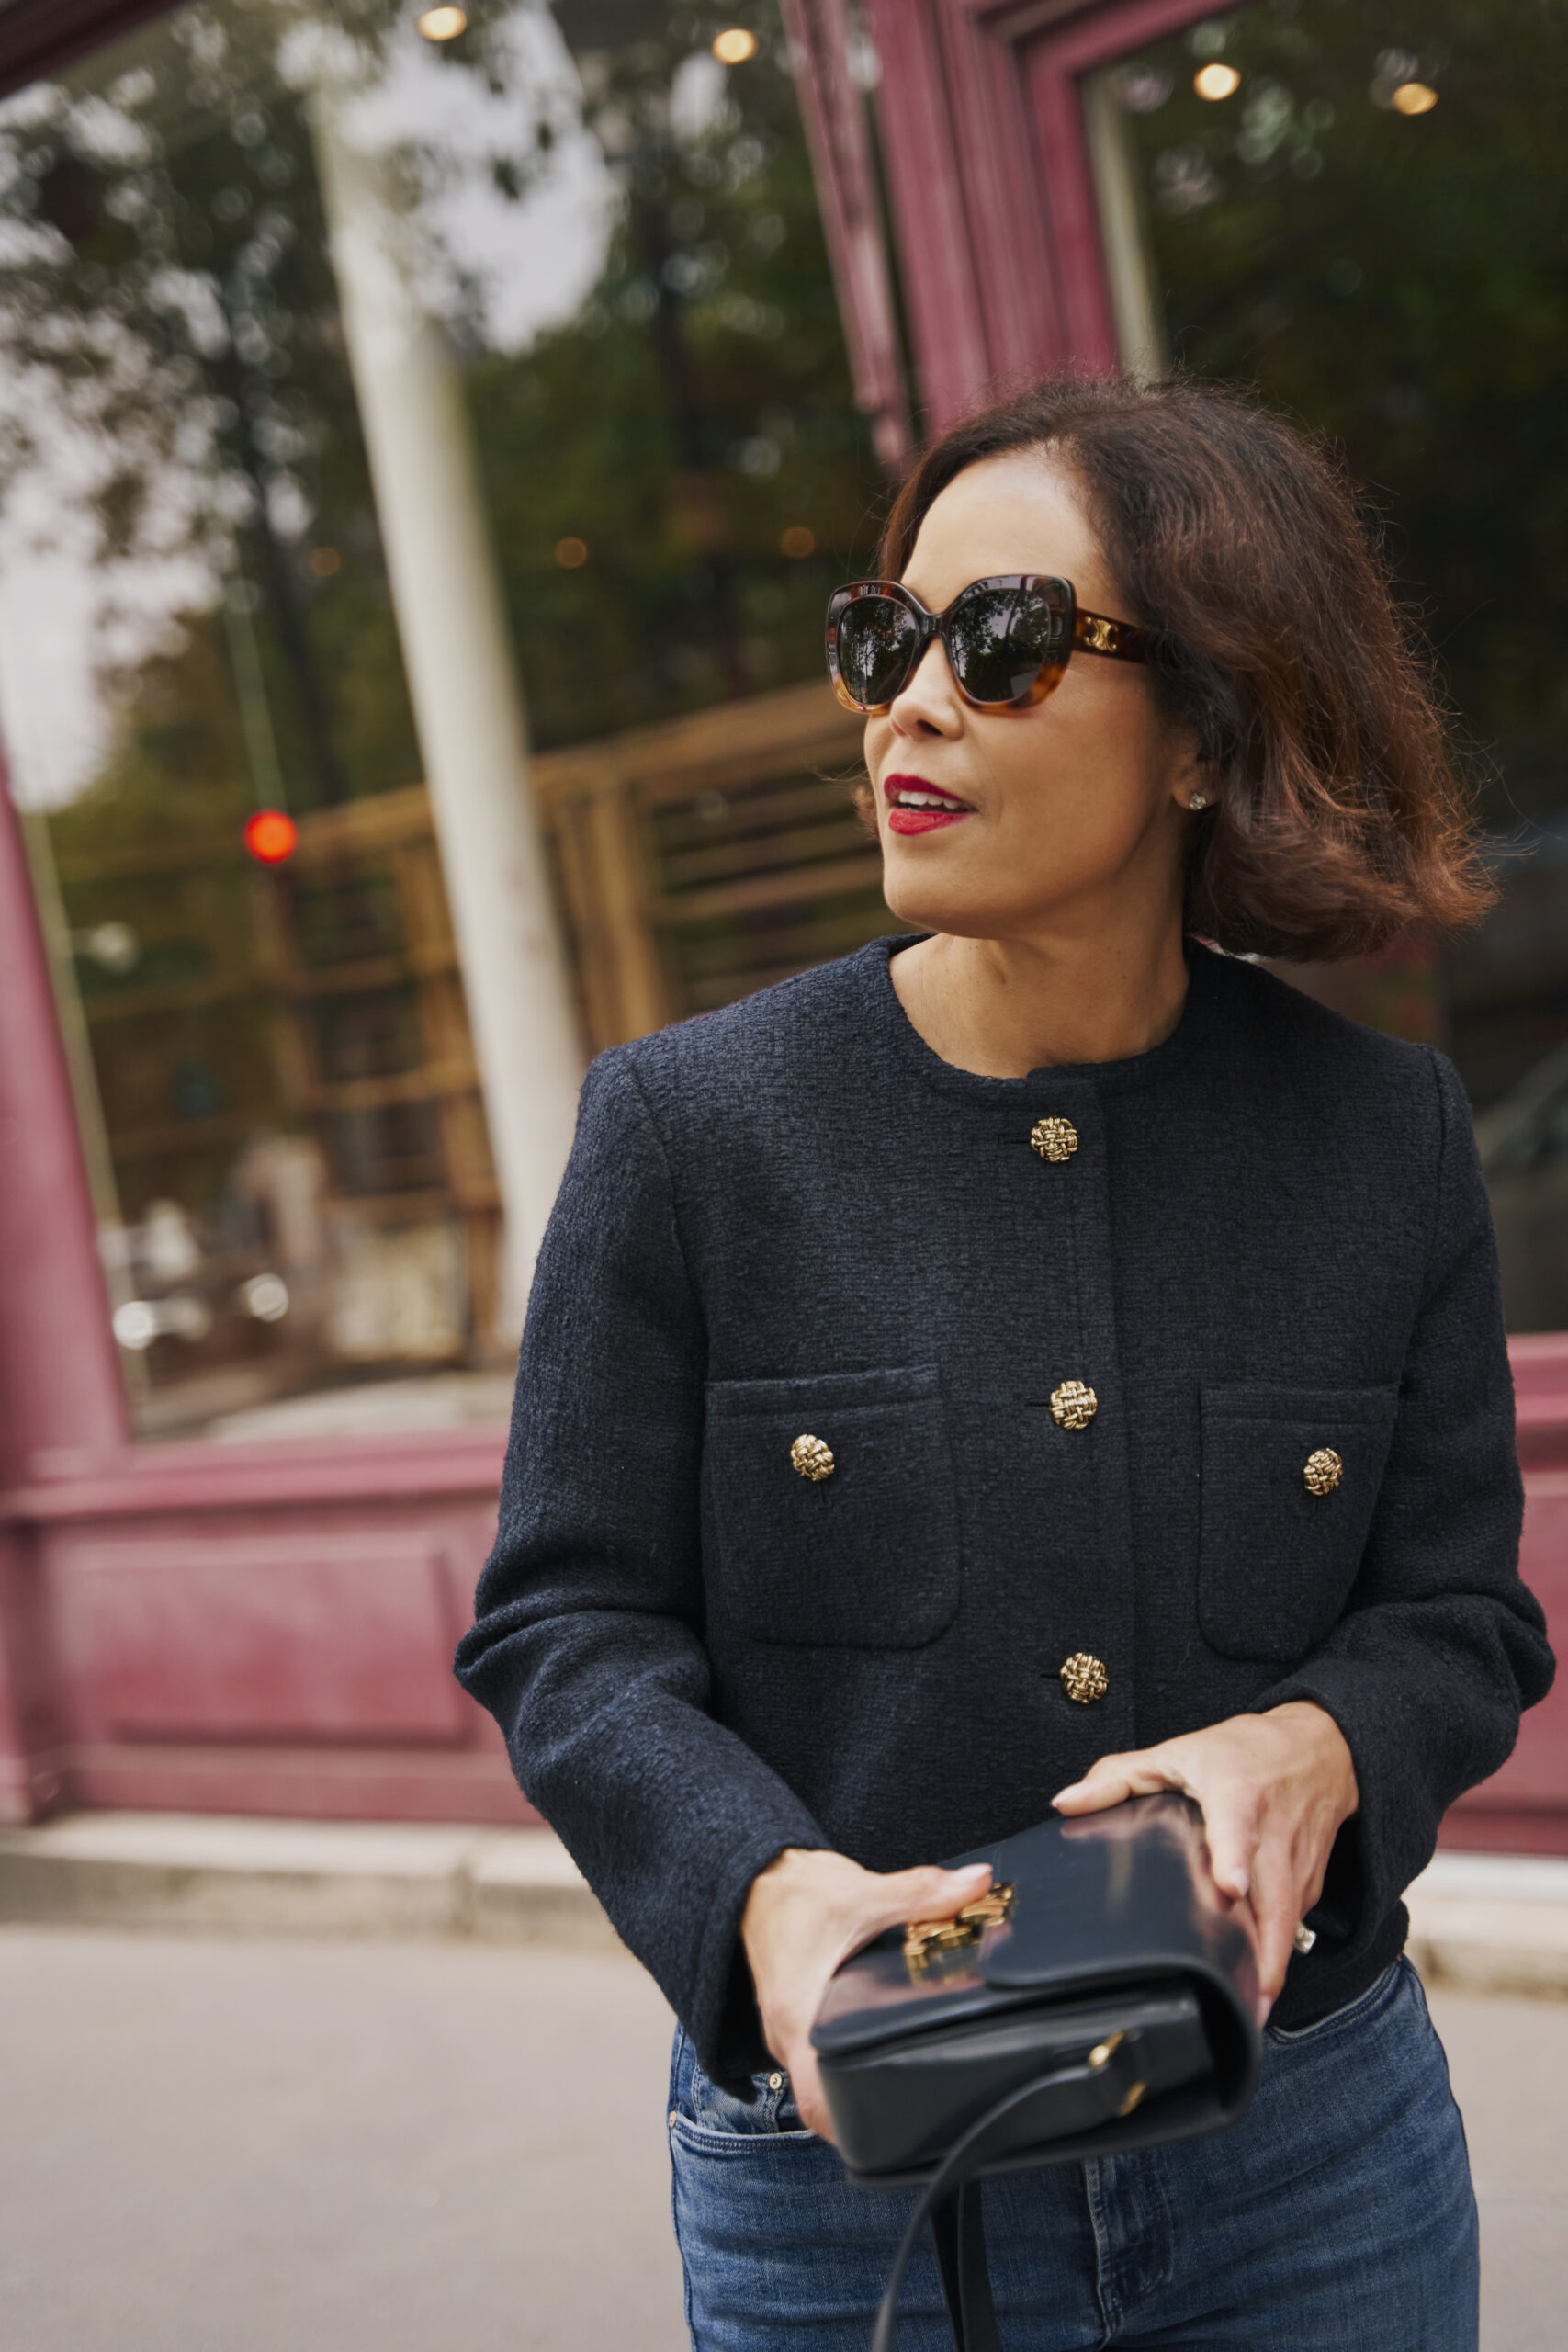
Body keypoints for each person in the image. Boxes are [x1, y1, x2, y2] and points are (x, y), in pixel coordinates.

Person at [455, 376, 1553, 2349]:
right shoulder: (689, 1134)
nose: (911, 702)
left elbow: (1456, 1612)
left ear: (1212, 728)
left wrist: (1317, 1744)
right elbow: (564, 1626)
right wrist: (761, 1893)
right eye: (886, 641)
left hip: (1310, 2157)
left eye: (1006, 640)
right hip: (851, 2180)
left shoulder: (1375, 1134)